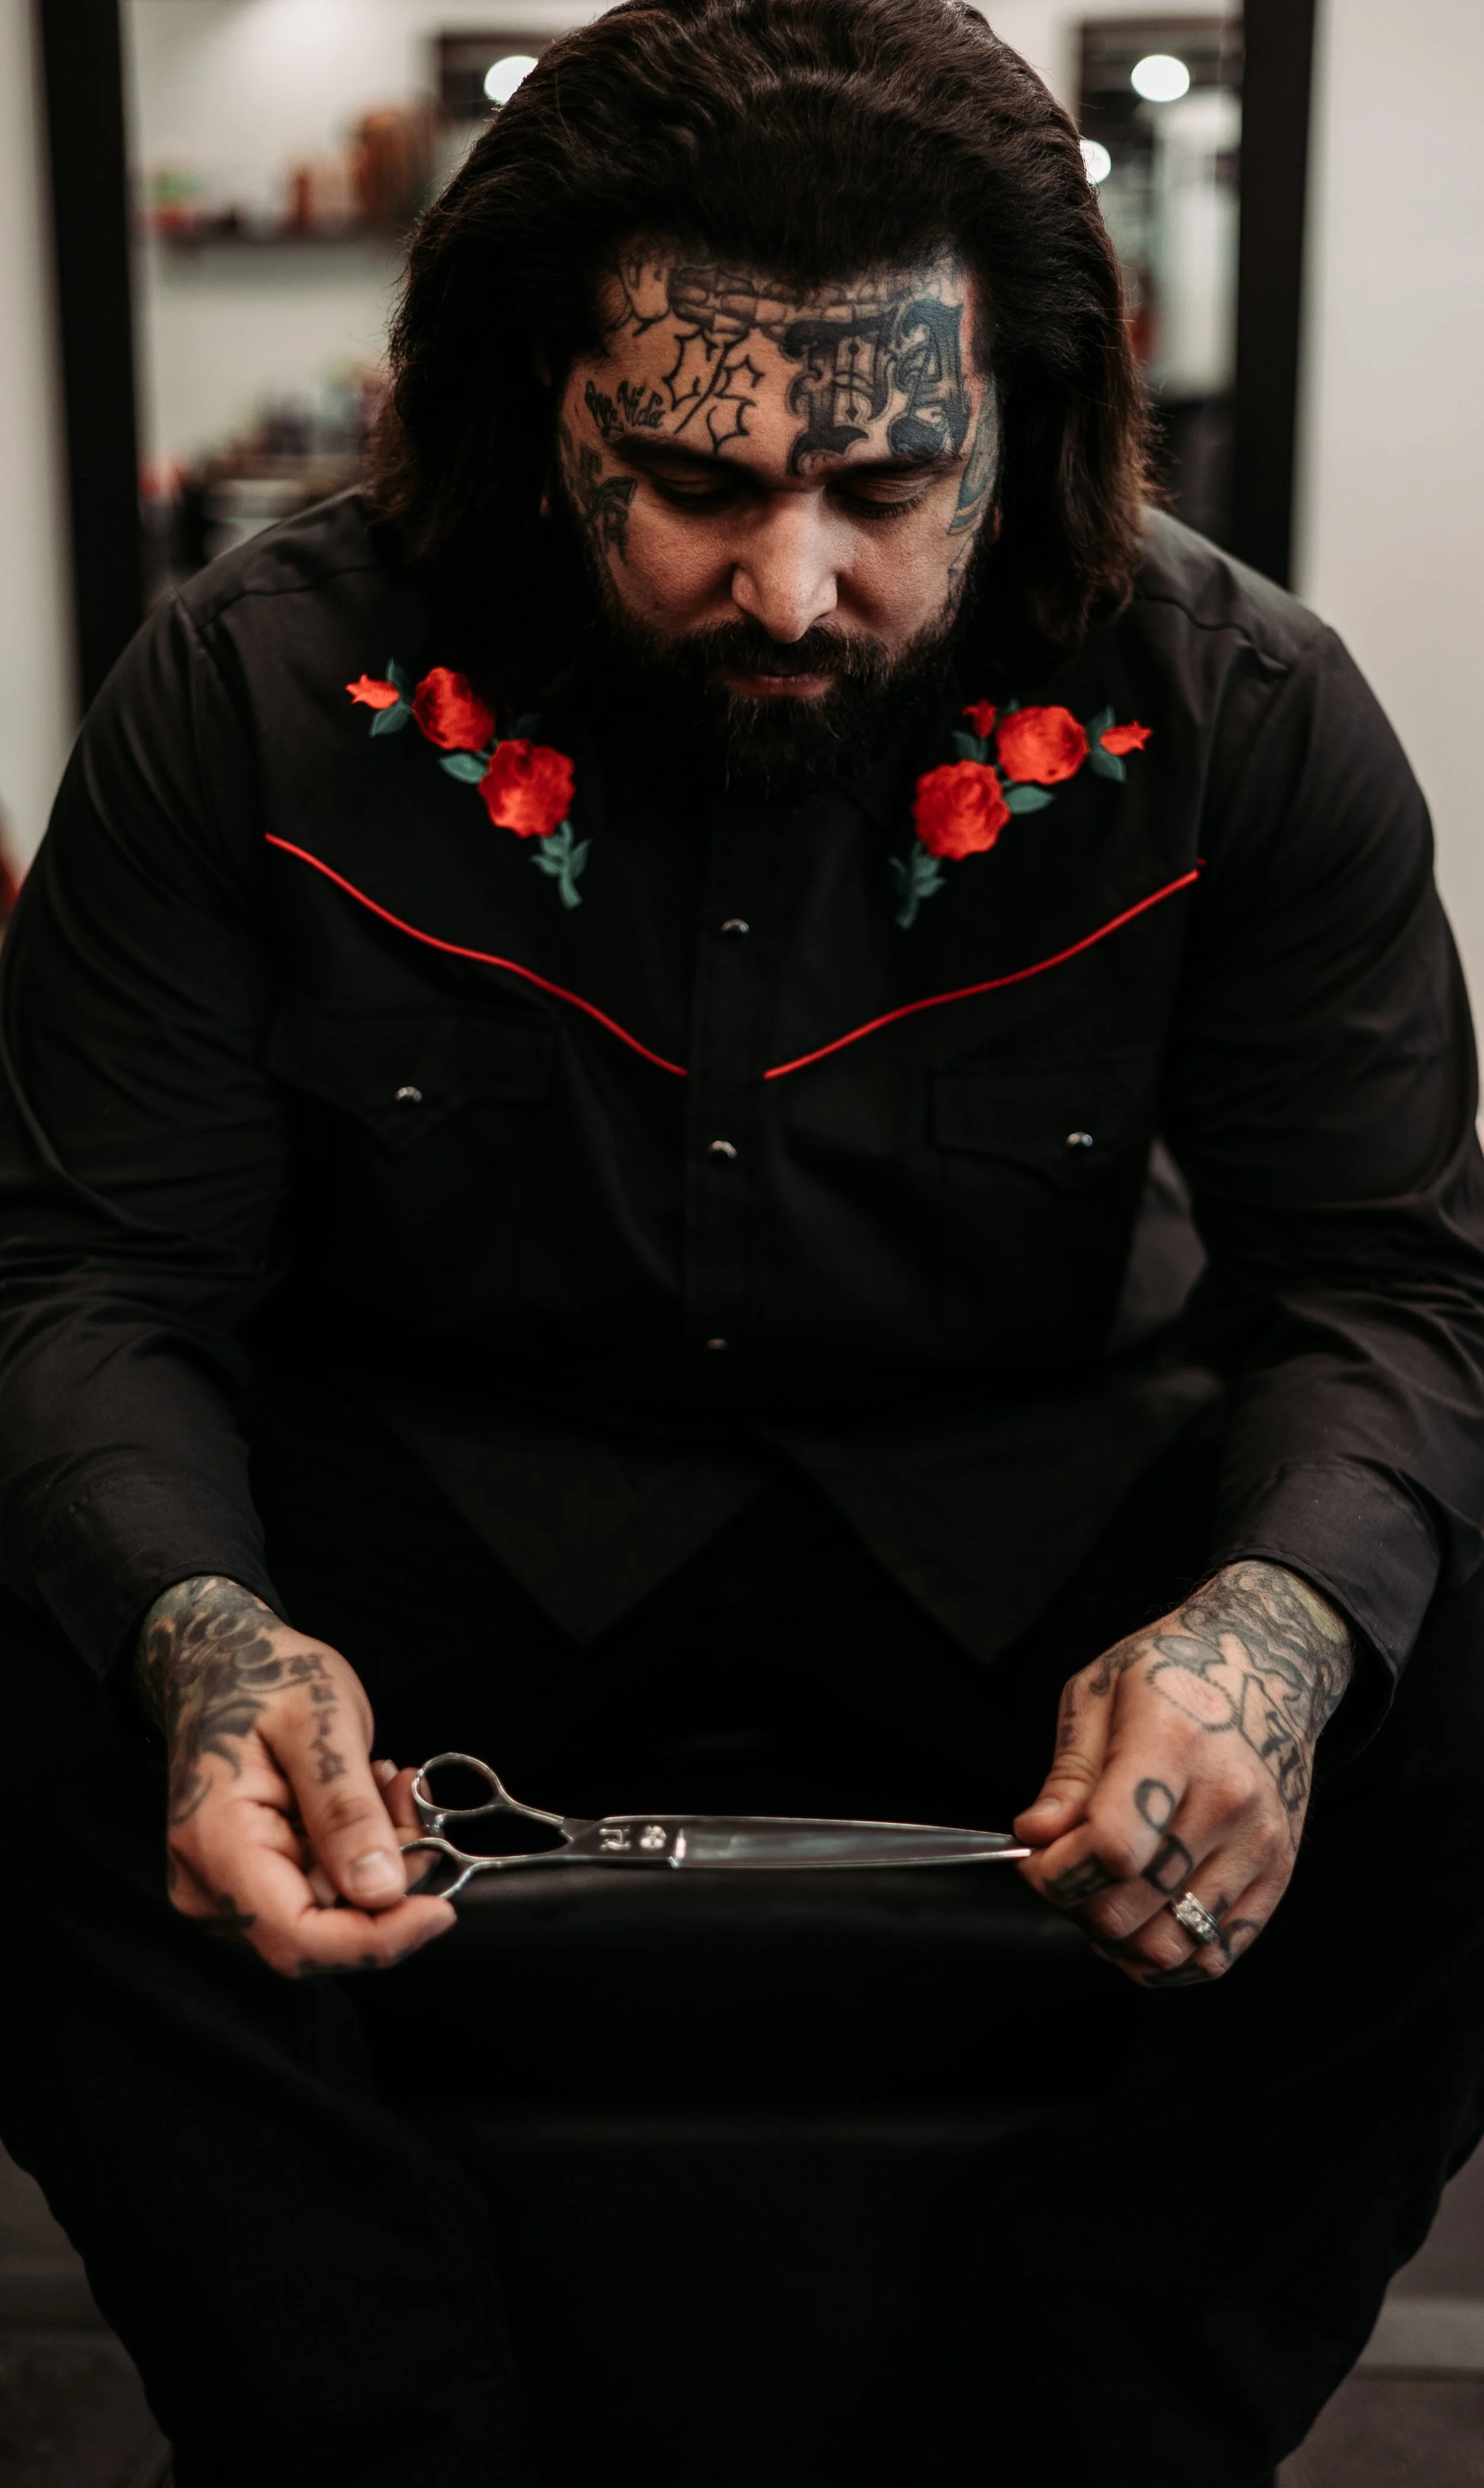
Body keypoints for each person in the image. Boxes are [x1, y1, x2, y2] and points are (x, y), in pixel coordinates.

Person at [4, 1, 1484, 2481]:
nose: (790, 583)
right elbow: (91, 1282)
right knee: (42, 1630)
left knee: (1433, 1630)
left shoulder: (1238, 707)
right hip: (443, 1506)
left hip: (1017, 1512)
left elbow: (1393, 1288)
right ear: (532, 407)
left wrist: (1268, 1634)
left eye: (888, 484)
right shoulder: (247, 695)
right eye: (691, 481)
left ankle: (1079, 2437)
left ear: (1024, 416)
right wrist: (204, 1634)